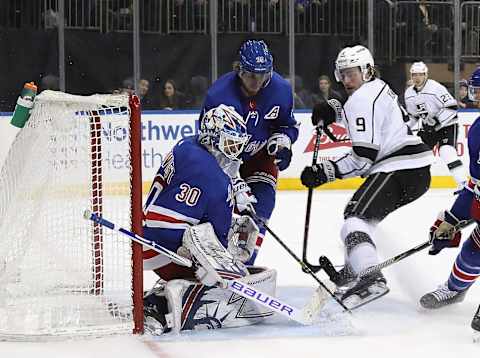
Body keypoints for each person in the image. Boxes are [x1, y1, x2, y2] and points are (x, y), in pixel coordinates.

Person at [300, 45, 434, 309]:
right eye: (342, 74)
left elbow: (362, 159)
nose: (347, 80)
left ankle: (370, 277)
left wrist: (324, 172)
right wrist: (334, 109)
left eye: (352, 73)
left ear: (367, 71)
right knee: (364, 221)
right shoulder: (378, 86)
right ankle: (355, 270)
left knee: (354, 220)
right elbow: (371, 114)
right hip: (414, 171)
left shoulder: (361, 99)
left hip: (399, 166)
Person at [141, 104, 277, 334]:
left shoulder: (189, 144)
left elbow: (205, 189)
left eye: (238, 145)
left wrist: (236, 185)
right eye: (230, 144)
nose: (234, 152)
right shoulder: (213, 179)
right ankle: (159, 305)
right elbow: (217, 241)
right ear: (212, 138)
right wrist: (216, 266)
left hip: (147, 235)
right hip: (163, 248)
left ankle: (165, 291)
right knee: (218, 282)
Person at [200, 39, 299, 265]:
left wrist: (283, 143)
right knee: (219, 211)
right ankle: (211, 259)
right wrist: (235, 183)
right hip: (220, 160)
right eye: (252, 75)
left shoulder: (281, 89)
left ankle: (245, 264)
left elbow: (287, 125)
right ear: (239, 70)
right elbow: (208, 142)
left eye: (263, 75)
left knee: (261, 207)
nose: (257, 82)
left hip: (259, 158)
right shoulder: (219, 96)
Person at [419, 68, 480, 336]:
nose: (476, 98)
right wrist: (452, 221)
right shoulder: (477, 131)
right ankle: (454, 290)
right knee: (472, 253)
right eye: (476, 92)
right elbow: (476, 184)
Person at [404, 61, 467, 189]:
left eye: (420, 75)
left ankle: (463, 184)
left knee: (447, 152)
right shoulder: (409, 94)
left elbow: (452, 106)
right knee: (418, 154)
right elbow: (413, 116)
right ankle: (413, 185)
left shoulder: (435, 88)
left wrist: (438, 121)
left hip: (447, 125)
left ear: (425, 75)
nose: (417, 78)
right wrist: (404, 128)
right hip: (428, 128)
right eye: (414, 75)